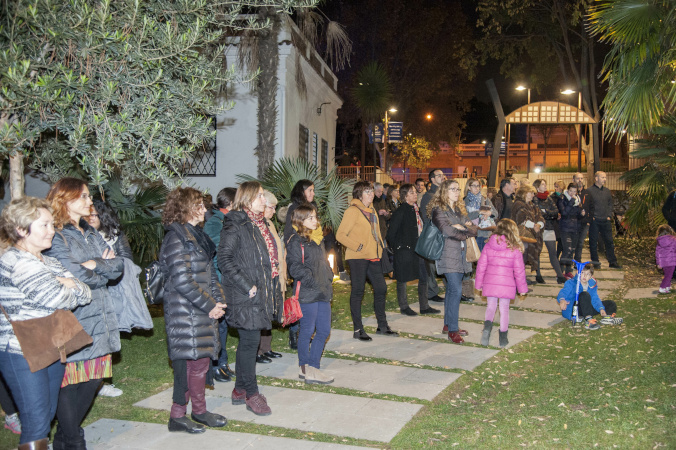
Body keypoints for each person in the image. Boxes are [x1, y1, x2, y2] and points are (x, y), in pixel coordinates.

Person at [0, 197, 92, 450]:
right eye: (45, 225)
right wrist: (67, 285)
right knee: (36, 420)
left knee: (47, 412)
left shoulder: (47, 261)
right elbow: (56, 297)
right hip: (20, 350)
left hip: (49, 345)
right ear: (21, 229)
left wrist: (70, 285)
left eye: (52, 224)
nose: (52, 230)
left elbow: (86, 292)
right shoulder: (17, 262)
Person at [45, 178, 124, 450]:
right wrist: (100, 267)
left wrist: (97, 264)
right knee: (70, 383)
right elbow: (74, 275)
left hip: (100, 315)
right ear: (64, 200)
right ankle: (74, 439)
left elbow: (117, 267)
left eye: (89, 196)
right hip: (74, 319)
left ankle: (63, 438)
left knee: (92, 380)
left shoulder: (89, 232)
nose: (90, 202)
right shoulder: (56, 236)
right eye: (84, 197)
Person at [159, 187, 227, 434]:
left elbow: (208, 275)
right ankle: (178, 416)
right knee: (189, 366)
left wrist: (219, 301)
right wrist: (210, 305)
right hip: (185, 312)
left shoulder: (194, 235)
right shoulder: (176, 238)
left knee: (200, 364)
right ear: (185, 208)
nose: (204, 209)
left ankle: (199, 411)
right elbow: (182, 280)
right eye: (198, 205)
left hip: (199, 310)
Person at [218, 181, 278, 416]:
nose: (264, 200)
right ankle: (252, 394)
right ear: (248, 198)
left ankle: (239, 389)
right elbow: (224, 259)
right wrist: (247, 285)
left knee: (248, 342)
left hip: (258, 291)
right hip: (244, 294)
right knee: (250, 342)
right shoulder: (237, 222)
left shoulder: (259, 223)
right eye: (260, 196)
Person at [88, 199, 152, 397]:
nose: (89, 219)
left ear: (103, 217)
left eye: (94, 215)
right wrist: (102, 263)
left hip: (113, 291)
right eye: (86, 215)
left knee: (107, 338)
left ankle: (102, 382)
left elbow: (126, 261)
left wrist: (109, 263)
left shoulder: (114, 236)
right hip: (90, 293)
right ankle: (90, 382)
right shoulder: (81, 237)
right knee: (91, 338)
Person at [337, 181, 398, 341]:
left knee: (381, 288)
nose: (371, 194)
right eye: (367, 192)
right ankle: (358, 330)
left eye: (371, 191)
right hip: (357, 257)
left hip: (374, 256)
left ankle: (382, 326)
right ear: (359, 194)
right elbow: (340, 235)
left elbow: (376, 234)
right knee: (358, 292)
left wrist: (380, 249)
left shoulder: (372, 210)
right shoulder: (353, 211)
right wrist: (357, 246)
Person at [286, 204, 334, 384]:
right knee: (307, 330)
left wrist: (328, 276)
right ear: (300, 221)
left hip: (323, 290)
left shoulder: (317, 239)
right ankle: (305, 367)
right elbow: (294, 267)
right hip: (308, 292)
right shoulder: (296, 241)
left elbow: (323, 263)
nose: (316, 221)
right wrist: (311, 279)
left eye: (315, 217)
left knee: (324, 330)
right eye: (311, 218)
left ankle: (313, 366)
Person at [428, 179, 478, 344]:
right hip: (447, 255)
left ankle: (448, 325)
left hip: (461, 254)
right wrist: (464, 230)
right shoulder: (438, 210)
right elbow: (447, 230)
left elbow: (474, 229)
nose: (457, 192)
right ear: (444, 191)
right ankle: (453, 330)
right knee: (456, 291)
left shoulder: (458, 209)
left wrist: (463, 227)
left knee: (451, 291)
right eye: (452, 189)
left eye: (458, 189)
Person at [386, 184, 441, 316]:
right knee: (402, 278)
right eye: (411, 193)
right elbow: (391, 234)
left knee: (424, 276)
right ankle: (404, 306)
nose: (415, 195)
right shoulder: (401, 211)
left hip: (419, 249)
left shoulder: (416, 209)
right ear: (404, 196)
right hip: (405, 250)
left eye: (415, 192)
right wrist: (398, 248)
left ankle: (424, 306)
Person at [474, 219, 528, 348]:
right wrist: (522, 289)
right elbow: (519, 271)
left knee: (490, 306)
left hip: (490, 282)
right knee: (504, 310)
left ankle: (487, 329)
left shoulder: (488, 245)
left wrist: (478, 284)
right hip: (507, 284)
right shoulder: (514, 248)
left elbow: (481, 266)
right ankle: (503, 338)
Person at [203, 187, 237, 383]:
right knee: (219, 327)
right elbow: (218, 253)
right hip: (218, 280)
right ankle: (216, 365)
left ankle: (222, 363)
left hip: (225, 280)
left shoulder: (226, 221)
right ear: (231, 204)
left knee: (223, 325)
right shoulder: (216, 223)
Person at [284, 179, 323, 349]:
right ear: (302, 191)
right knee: (298, 297)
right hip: (300, 255)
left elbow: (317, 230)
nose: (313, 194)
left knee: (311, 298)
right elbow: (290, 232)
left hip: (313, 253)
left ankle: (306, 332)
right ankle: (294, 333)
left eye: (313, 191)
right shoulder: (294, 209)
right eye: (310, 191)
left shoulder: (312, 207)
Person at [256, 191, 285, 363]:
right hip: (264, 276)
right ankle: (258, 351)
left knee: (270, 314)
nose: (274, 212)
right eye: (271, 208)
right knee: (262, 314)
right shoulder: (256, 225)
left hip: (275, 273)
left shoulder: (269, 224)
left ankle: (266, 348)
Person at [557, 264, 622, 329]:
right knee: (584, 295)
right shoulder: (571, 283)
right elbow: (563, 292)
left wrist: (601, 308)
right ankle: (589, 320)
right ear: (578, 272)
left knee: (611, 303)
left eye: (588, 274)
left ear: (591, 276)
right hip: (575, 309)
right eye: (582, 273)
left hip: (586, 308)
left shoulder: (592, 285)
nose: (585, 276)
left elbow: (595, 298)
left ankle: (607, 318)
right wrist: (562, 300)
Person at [420, 169, 447, 304]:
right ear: (432, 179)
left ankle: (452, 290)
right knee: (431, 265)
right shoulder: (429, 196)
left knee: (446, 263)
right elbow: (426, 216)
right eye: (439, 175)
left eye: (443, 175)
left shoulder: (445, 194)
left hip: (445, 233)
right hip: (434, 235)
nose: (442, 177)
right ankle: (431, 292)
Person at [533, 180, 567, 284]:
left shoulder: (549, 199)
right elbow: (537, 213)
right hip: (539, 228)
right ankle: (538, 275)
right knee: (537, 252)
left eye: (545, 184)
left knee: (553, 252)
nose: (545, 186)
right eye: (543, 184)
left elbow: (556, 212)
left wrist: (546, 212)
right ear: (537, 187)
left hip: (549, 228)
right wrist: (549, 214)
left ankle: (560, 276)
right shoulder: (534, 199)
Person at [587, 171, 622, 269]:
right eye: (602, 177)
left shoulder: (607, 191)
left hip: (605, 220)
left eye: (605, 177)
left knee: (609, 241)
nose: (605, 179)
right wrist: (591, 216)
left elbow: (610, 204)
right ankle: (595, 262)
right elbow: (587, 205)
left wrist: (609, 216)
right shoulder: (589, 191)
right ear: (596, 178)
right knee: (593, 242)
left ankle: (612, 262)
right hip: (595, 220)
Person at [511, 185, 545, 284]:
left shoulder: (532, 205)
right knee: (521, 257)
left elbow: (540, 217)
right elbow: (520, 219)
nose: (533, 195)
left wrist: (539, 224)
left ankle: (521, 279)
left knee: (524, 258)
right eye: (531, 193)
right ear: (524, 193)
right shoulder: (518, 204)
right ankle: (519, 280)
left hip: (531, 235)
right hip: (521, 236)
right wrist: (534, 225)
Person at [558, 183, 586, 278]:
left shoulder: (577, 201)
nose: (572, 193)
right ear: (567, 190)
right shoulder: (562, 199)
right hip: (565, 228)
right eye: (571, 191)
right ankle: (560, 272)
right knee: (567, 250)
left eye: (574, 192)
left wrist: (581, 214)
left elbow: (576, 215)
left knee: (572, 250)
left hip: (575, 229)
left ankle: (568, 271)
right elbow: (564, 213)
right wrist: (572, 201)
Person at [572, 173, 592, 265]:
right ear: (573, 180)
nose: (580, 180)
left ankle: (577, 262)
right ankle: (568, 262)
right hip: (574, 222)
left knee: (580, 243)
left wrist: (588, 220)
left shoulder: (587, 193)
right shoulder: (571, 193)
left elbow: (591, 207)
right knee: (573, 243)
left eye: (581, 178)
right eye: (578, 178)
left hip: (584, 223)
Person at [655, 224, 676, 294]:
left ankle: (667, 287)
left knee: (667, 274)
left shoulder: (659, 241)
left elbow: (657, 253)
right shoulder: (674, 239)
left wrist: (658, 263)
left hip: (663, 262)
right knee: (669, 275)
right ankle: (662, 287)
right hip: (671, 261)